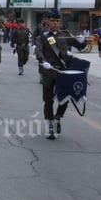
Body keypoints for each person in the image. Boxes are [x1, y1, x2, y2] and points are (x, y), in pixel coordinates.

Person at [34, 8, 87, 139]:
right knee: (48, 100)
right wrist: (43, 61)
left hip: (64, 71)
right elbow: (39, 52)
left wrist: (81, 41)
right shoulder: (43, 37)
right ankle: (49, 123)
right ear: (48, 22)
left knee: (64, 97)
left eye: (58, 21)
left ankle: (58, 117)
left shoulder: (65, 34)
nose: (56, 23)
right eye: (53, 21)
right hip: (49, 71)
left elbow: (81, 47)